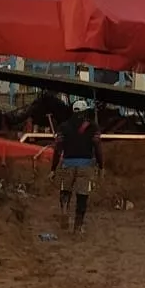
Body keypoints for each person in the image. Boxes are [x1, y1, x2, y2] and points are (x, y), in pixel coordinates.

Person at [52, 99, 102, 233]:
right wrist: (101, 166)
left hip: (68, 163)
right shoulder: (93, 127)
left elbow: (58, 149)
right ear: (85, 112)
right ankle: (78, 227)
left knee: (65, 191)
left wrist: (53, 169)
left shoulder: (63, 126)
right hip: (85, 165)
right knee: (82, 196)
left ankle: (64, 210)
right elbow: (97, 148)